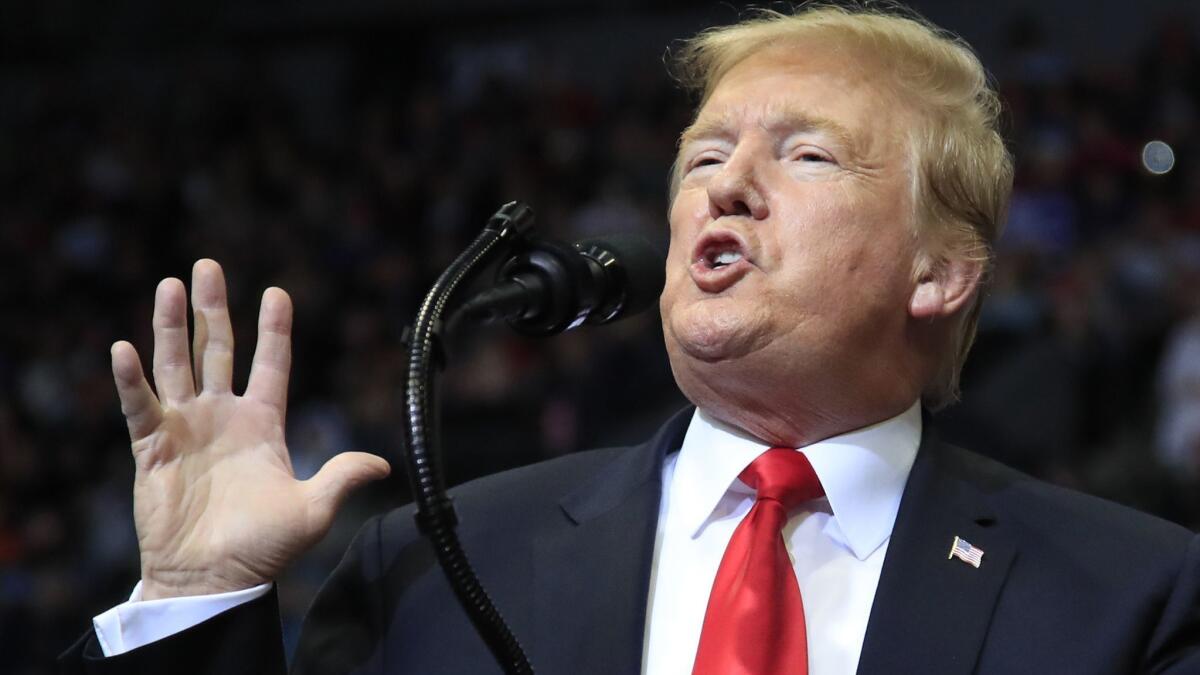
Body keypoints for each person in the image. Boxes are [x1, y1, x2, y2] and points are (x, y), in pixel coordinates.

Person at [61, 5, 1199, 675]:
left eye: (805, 155)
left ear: (939, 272)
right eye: (703, 158)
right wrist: (196, 594)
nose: (728, 189)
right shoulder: (437, 573)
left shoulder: (1128, 597)